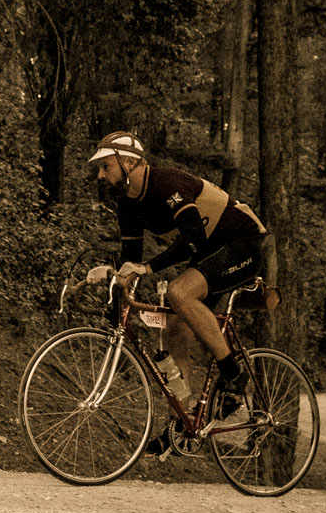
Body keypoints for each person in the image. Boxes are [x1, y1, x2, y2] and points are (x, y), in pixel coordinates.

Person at [86, 131, 267, 453]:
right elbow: (132, 259)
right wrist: (117, 278)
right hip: (209, 254)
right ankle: (181, 424)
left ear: (128, 161)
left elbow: (193, 238)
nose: (101, 174)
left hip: (242, 244)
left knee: (179, 293)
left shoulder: (167, 184)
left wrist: (148, 269)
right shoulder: (127, 204)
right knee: (175, 332)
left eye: (105, 165)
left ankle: (234, 375)